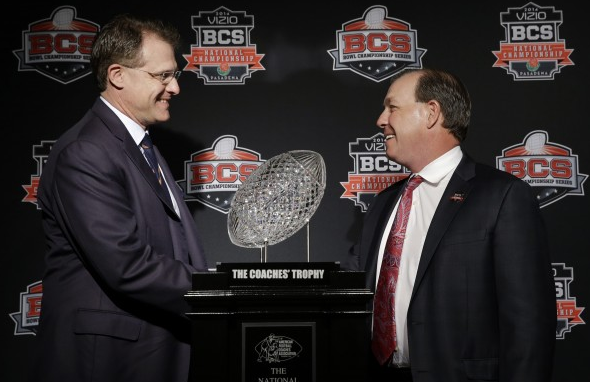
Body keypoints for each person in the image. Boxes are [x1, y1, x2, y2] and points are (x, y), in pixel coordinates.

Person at [344, 68, 556, 382]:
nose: (380, 119)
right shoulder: (383, 202)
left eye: (392, 107)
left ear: (431, 112)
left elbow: (528, 325)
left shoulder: (502, 196)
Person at [29, 14, 208, 382]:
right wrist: (218, 292)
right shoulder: (87, 151)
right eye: (162, 76)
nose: (174, 88)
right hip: (109, 361)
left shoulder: (140, 146)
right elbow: (127, 266)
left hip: (153, 352)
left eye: (175, 75)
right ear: (117, 76)